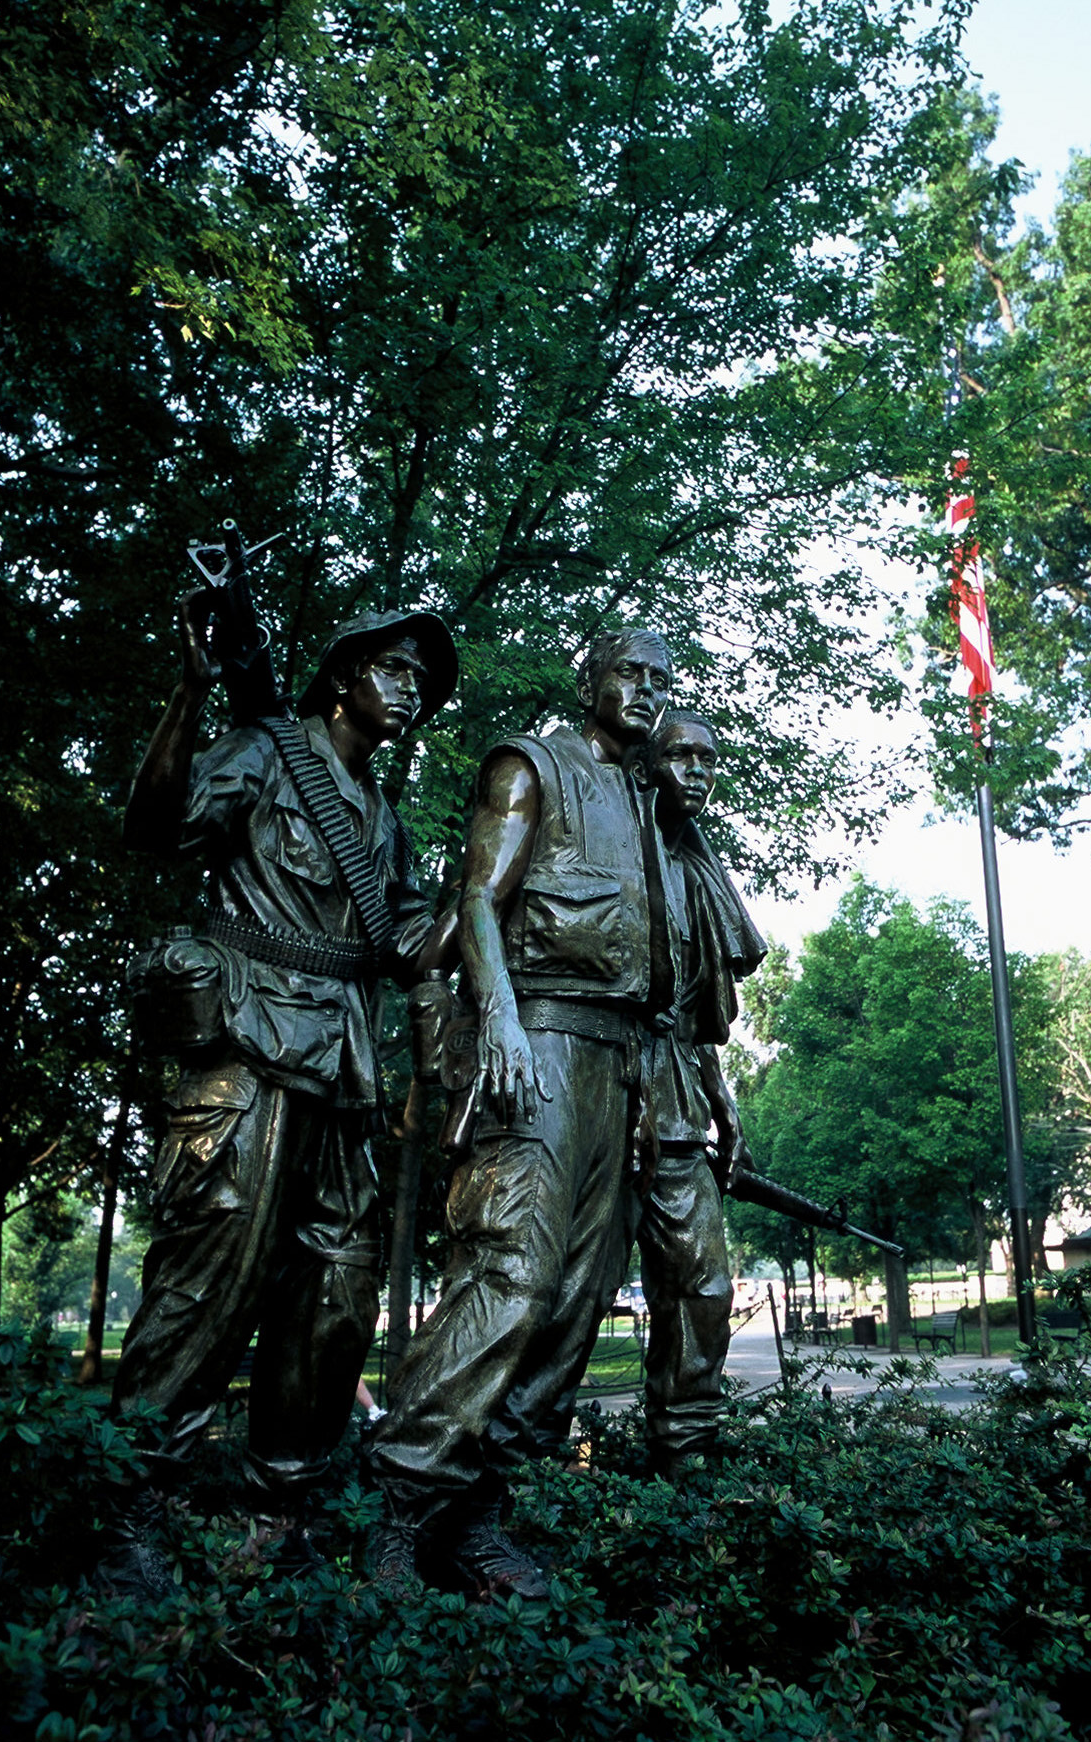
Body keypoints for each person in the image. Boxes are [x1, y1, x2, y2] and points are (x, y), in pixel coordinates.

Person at [105, 597, 457, 1593]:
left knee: (332, 1299)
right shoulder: (264, 750)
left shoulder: (383, 820)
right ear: (342, 676)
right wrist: (189, 692)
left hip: (344, 1070)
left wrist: (488, 888)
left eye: (420, 681)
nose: (411, 688)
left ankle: (277, 1516)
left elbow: (405, 941)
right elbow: (158, 825)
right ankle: (132, 1503)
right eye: (394, 668)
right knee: (210, 1281)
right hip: (249, 1050)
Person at [363, 627, 680, 1598]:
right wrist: (494, 1013)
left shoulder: (646, 801)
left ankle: (476, 1516)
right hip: (533, 1037)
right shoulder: (529, 764)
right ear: (587, 676)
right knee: (510, 1275)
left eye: (661, 679)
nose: (645, 689)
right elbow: (477, 897)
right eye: (629, 670)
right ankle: (397, 1517)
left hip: (615, 1061)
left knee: (580, 1300)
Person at [627, 709, 765, 1475]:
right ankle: (524, 1478)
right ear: (647, 765)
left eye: (709, 758)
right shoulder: (606, 854)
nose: (698, 770)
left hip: (678, 1095)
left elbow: (696, 1010)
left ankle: (686, 1455)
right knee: (565, 1296)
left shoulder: (695, 872)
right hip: (598, 1089)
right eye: (681, 755)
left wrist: (721, 1094)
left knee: (703, 1286)